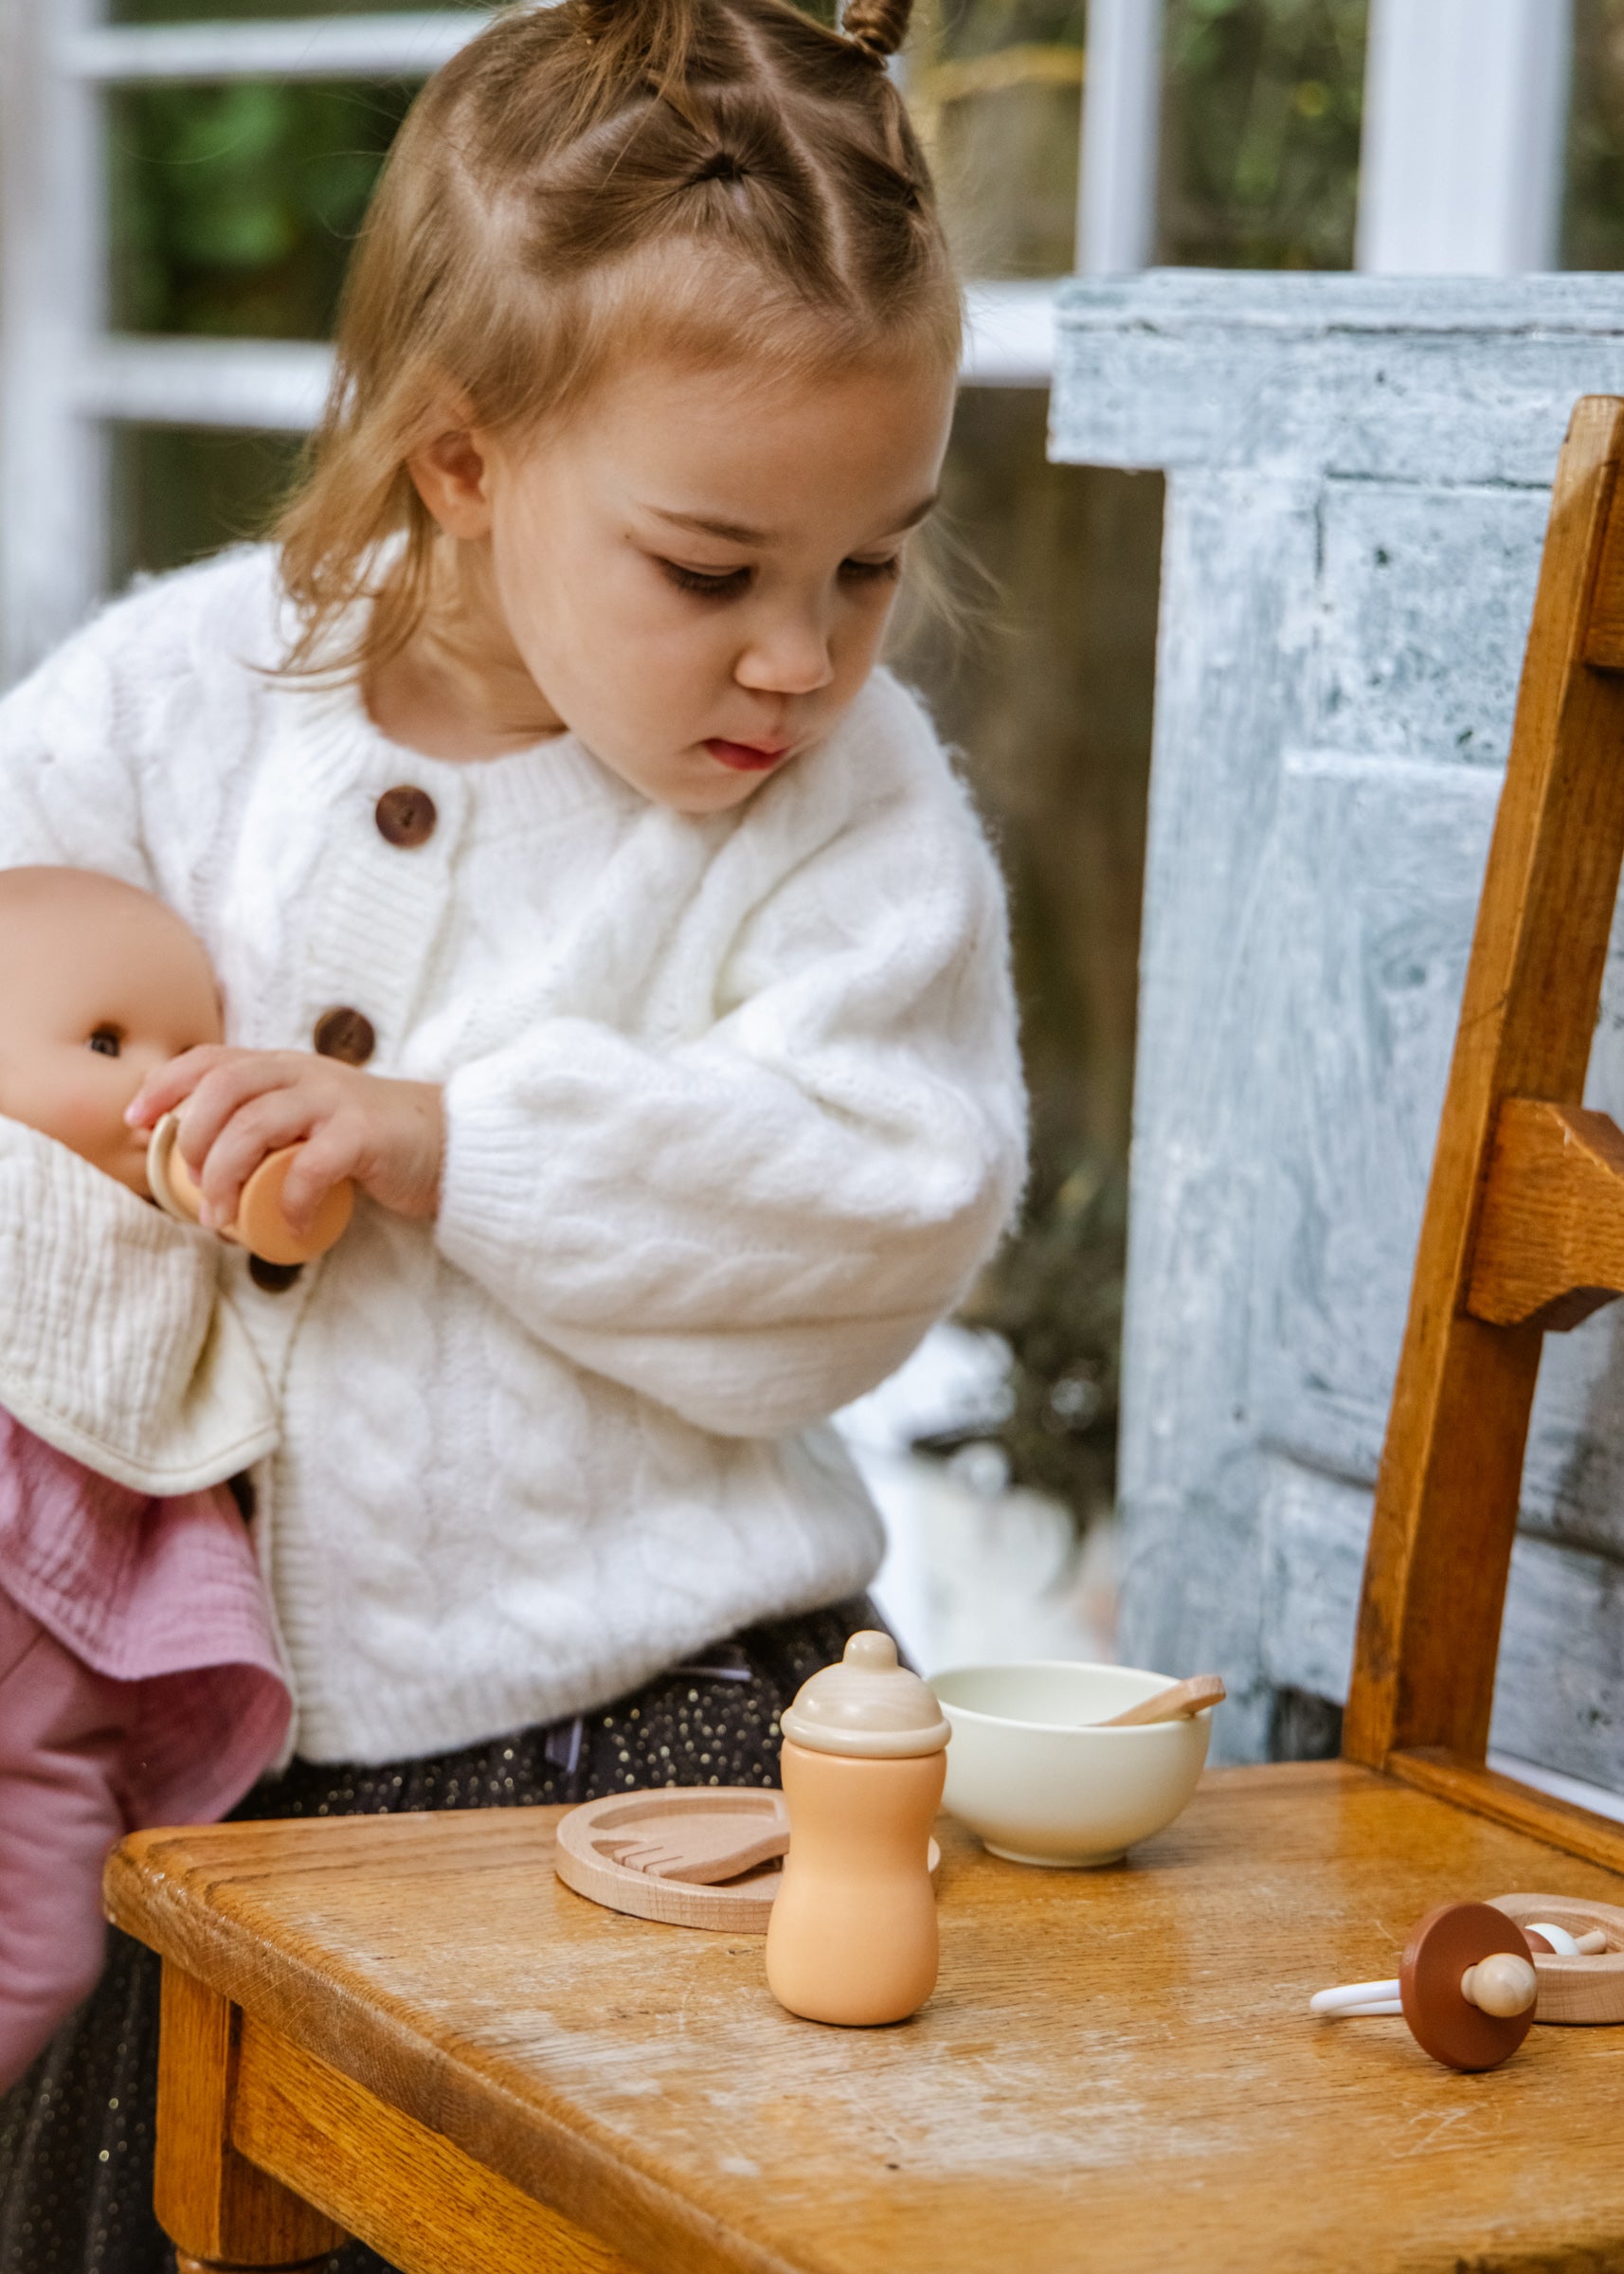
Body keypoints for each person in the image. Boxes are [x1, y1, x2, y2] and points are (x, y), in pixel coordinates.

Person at [0, 0, 1026, 2262]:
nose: (801, 659)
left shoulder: (853, 826)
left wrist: (442, 1140)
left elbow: (886, 1201)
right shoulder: (176, 703)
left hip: (657, 1739)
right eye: (711, 569)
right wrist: (140, 1145)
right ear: (461, 461)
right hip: (213, 1773)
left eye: (868, 565)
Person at [0, 869, 290, 2097]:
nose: (154, 1085)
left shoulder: (179, 1244)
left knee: (48, 1947)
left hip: (63, 1687)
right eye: (109, 1041)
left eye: (193, 1050)